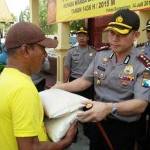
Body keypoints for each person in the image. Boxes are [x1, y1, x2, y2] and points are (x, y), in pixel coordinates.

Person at [53, 9, 150, 150]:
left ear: (136, 35)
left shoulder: (144, 65)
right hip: (97, 122)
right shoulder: (100, 55)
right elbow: (84, 81)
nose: (114, 39)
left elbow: (141, 104)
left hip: (123, 127)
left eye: (121, 34)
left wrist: (109, 108)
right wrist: (60, 86)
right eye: (112, 33)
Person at [0, 22, 77, 150]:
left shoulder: (5, 77)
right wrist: (66, 142)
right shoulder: (23, 89)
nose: (45, 55)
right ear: (25, 50)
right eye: (42, 48)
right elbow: (30, 147)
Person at [64, 27, 96, 99]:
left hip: (89, 82)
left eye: (84, 36)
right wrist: (65, 84)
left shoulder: (94, 52)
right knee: (75, 104)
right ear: (77, 38)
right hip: (74, 81)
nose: (82, 38)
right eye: (79, 36)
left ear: (88, 38)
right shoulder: (71, 52)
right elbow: (67, 68)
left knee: (88, 104)